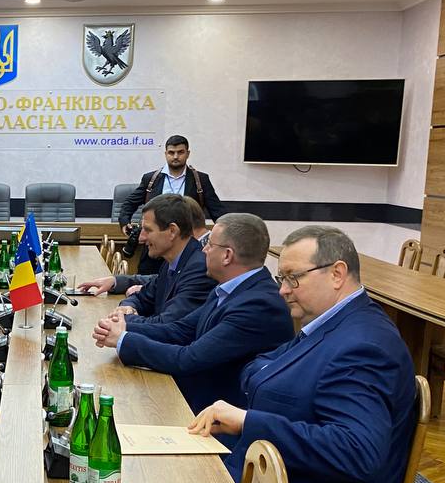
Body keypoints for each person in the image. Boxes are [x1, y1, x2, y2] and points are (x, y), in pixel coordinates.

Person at [188, 226, 416, 483]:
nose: (283, 290)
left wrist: (249, 420)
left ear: (337, 274)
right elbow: (262, 367)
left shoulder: (364, 345)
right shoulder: (330, 323)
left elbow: (357, 451)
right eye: (282, 278)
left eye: (293, 278)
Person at [92, 213, 293, 414]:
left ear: (227, 255)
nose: (204, 250)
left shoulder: (258, 304)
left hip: (215, 414)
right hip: (194, 398)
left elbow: (189, 359)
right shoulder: (229, 289)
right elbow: (181, 330)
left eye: (210, 245)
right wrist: (124, 326)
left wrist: (124, 339)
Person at [77, 194, 213, 325]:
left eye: (148, 230)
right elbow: (142, 297)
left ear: (172, 231)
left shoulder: (199, 269)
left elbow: (167, 324)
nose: (141, 238)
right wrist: (126, 308)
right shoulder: (172, 262)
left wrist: (124, 319)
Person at [117, 135, 227, 275]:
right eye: (171, 152)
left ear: (188, 153)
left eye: (180, 152)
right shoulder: (151, 179)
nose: (175, 156)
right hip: (155, 245)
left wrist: (226, 235)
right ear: (165, 154)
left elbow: (217, 211)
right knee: (147, 281)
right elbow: (129, 204)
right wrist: (125, 223)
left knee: (182, 280)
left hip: (186, 247)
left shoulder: (200, 180)